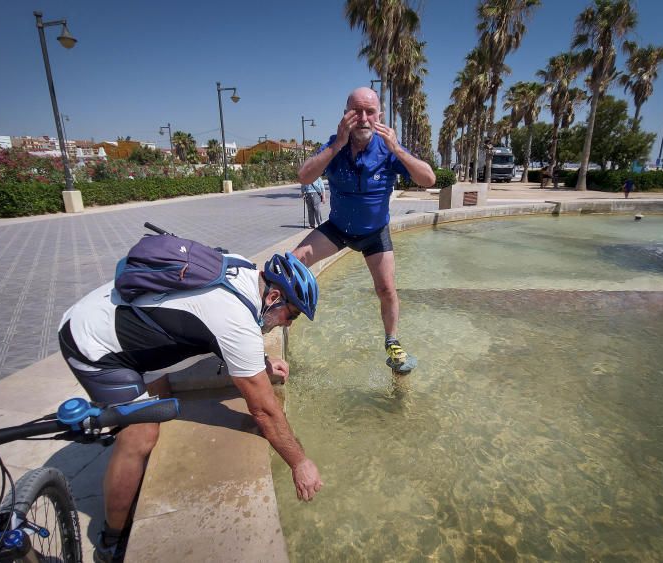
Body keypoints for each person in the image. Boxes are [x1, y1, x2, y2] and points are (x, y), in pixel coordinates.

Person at [58, 252, 322, 562]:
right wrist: (299, 462)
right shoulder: (237, 322)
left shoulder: (242, 268)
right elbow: (263, 411)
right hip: (91, 343)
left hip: (104, 311)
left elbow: (209, 320)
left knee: (160, 393)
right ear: (274, 296)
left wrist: (261, 364)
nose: (287, 325)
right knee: (140, 434)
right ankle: (111, 539)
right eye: (290, 315)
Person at [293, 86, 436, 373]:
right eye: (355, 111)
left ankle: (392, 341)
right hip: (339, 229)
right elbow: (305, 176)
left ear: (379, 116)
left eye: (370, 112)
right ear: (345, 115)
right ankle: (278, 316)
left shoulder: (387, 147)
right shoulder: (335, 145)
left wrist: (396, 148)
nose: (363, 117)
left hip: (374, 234)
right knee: (294, 262)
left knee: (386, 289)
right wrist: (336, 145)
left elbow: (429, 179)